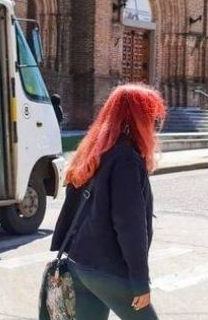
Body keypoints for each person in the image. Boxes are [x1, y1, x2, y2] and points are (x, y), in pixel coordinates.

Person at [48, 83, 165, 320]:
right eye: (152, 117)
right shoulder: (126, 160)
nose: (155, 125)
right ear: (138, 118)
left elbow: (73, 205)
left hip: (80, 262)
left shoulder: (95, 151)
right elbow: (129, 226)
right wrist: (140, 280)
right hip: (107, 269)